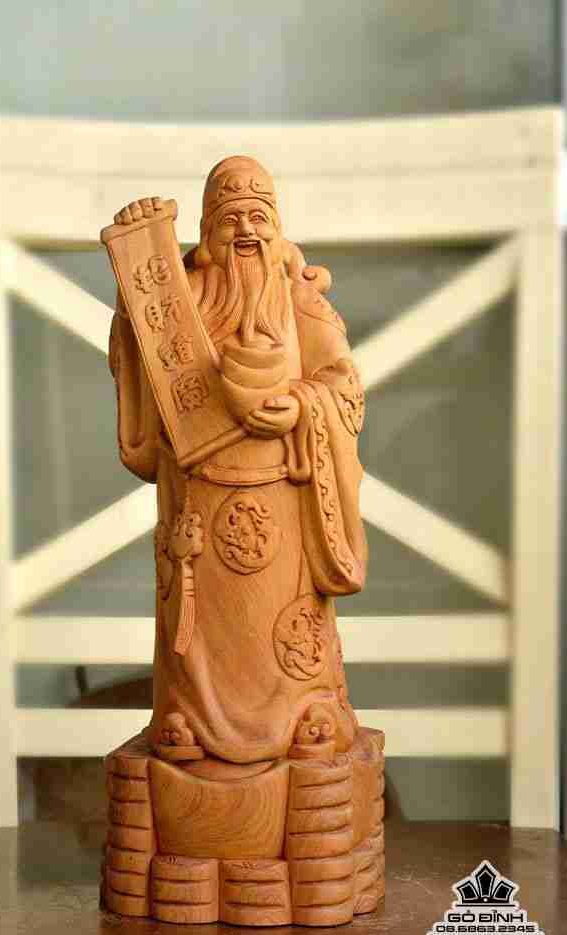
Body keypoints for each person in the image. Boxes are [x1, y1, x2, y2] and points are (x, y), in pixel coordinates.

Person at [109, 156, 368, 765]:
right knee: (202, 635)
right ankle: (189, 717)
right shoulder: (186, 302)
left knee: (282, 635)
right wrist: (137, 282)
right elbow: (142, 367)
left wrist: (302, 405)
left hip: (283, 510)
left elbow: (344, 383)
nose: (246, 230)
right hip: (198, 512)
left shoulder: (298, 300)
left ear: (276, 228)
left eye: (259, 216)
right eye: (230, 219)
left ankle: (305, 710)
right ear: (207, 232)